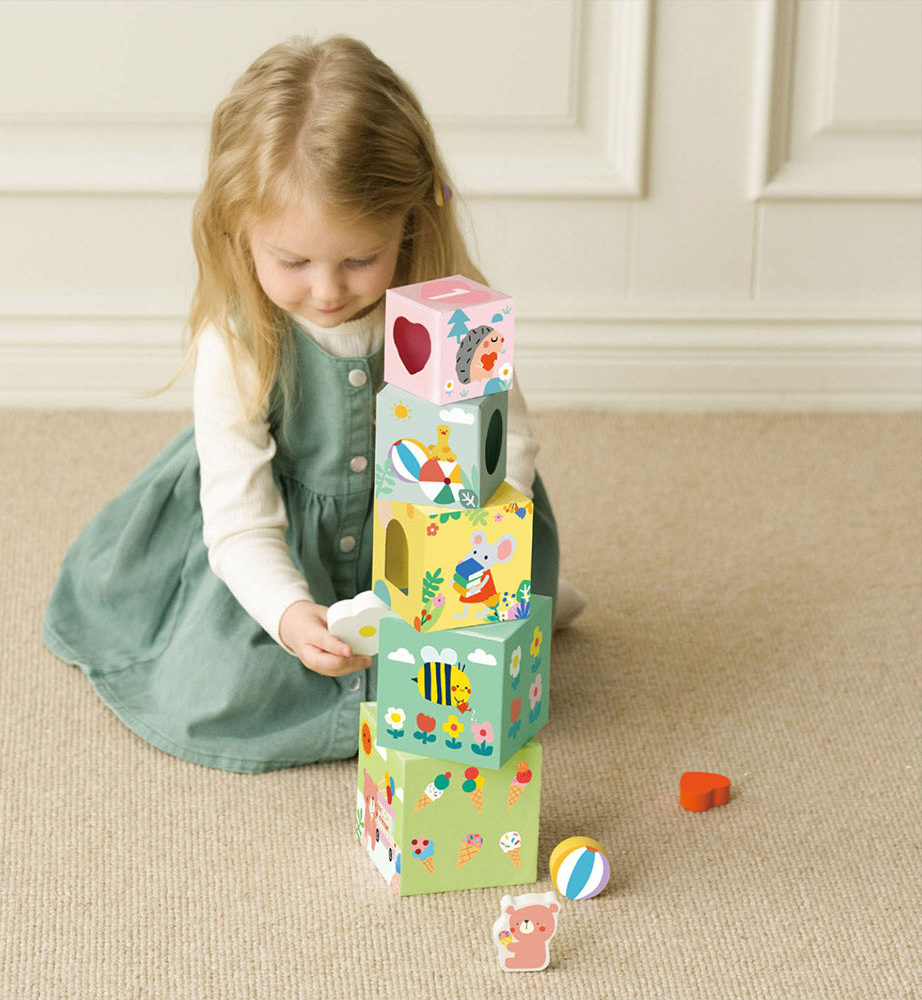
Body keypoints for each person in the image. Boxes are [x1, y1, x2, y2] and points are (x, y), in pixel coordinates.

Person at [43, 36, 581, 774]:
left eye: (360, 258)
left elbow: (506, 450)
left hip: (438, 541)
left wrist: (472, 565)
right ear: (241, 234)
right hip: (275, 542)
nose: (327, 291)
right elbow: (237, 518)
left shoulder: (453, 320)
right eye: (292, 262)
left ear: (409, 224)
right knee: (231, 687)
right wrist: (291, 615)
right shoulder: (237, 338)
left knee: (467, 672)